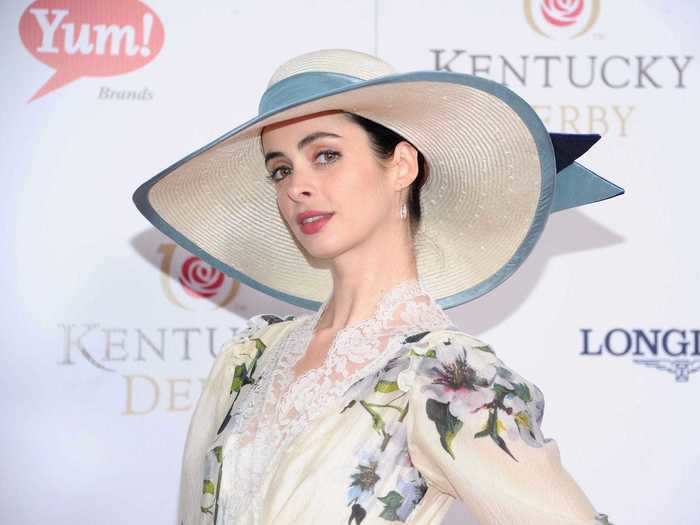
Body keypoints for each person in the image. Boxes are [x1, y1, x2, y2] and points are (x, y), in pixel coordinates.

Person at [133, 49, 623, 524]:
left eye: (325, 155)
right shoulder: (251, 356)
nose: (295, 186)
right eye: (280, 169)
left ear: (402, 166)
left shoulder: (444, 372)